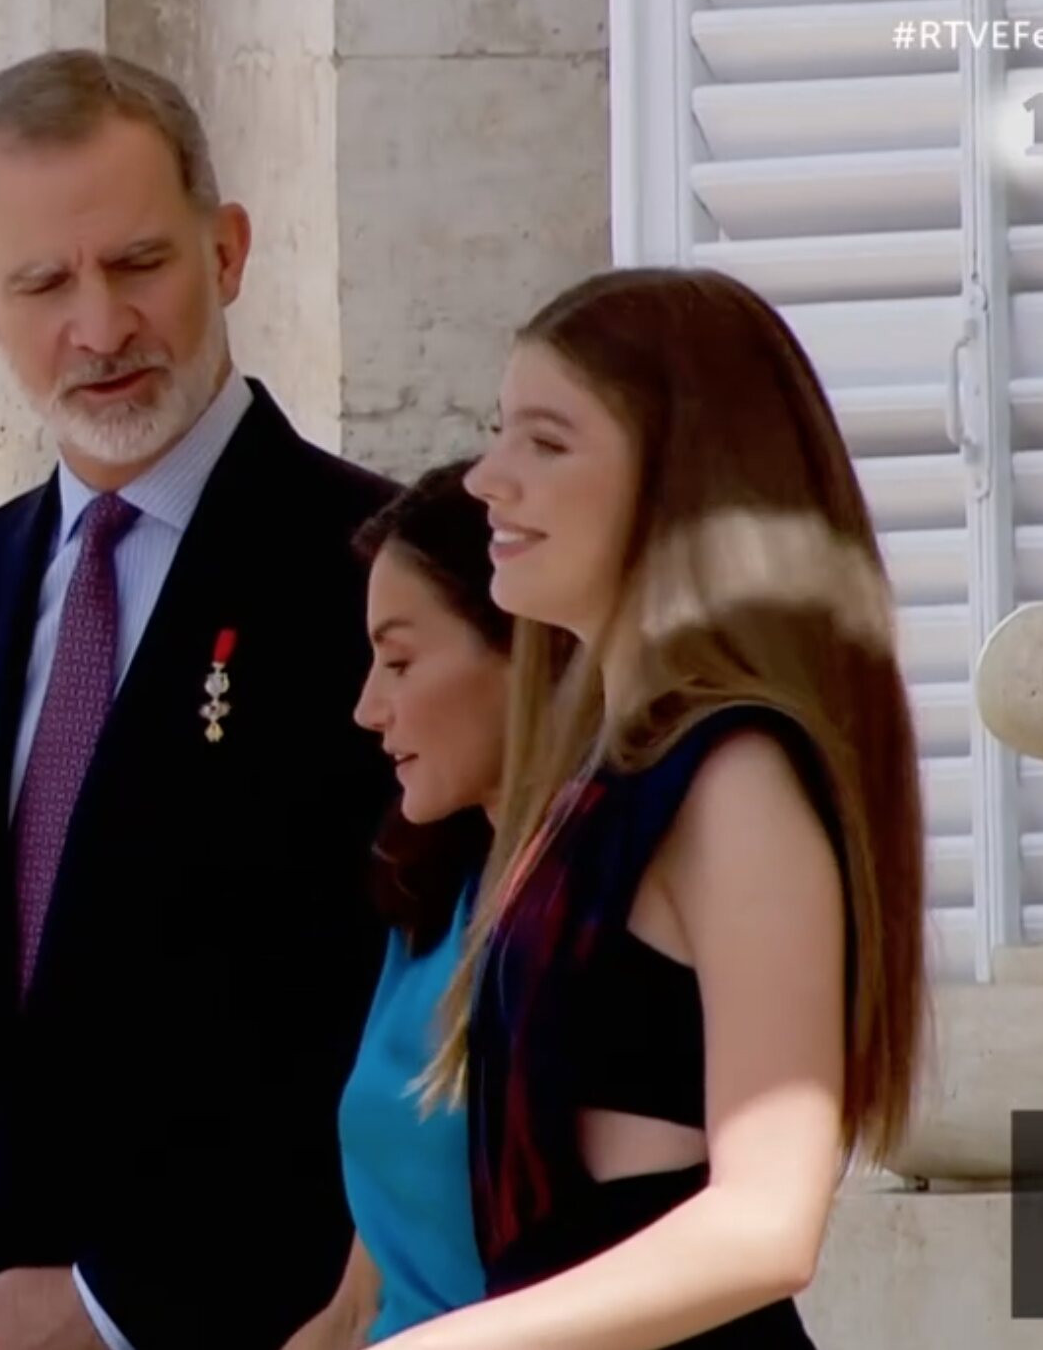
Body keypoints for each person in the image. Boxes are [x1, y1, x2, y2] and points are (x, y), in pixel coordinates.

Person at [0, 49, 400, 1350]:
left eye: (139, 264)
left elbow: (385, 1030)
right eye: (43, 284)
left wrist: (109, 1306)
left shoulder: (376, 577)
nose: (100, 326)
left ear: (229, 251)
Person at [368, 267, 930, 1349]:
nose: (488, 477)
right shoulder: (599, 782)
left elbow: (767, 1225)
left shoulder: (733, 780)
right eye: (498, 433)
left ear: (681, 479)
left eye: (546, 441)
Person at [286, 462, 510, 1350]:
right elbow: (354, 1308)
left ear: (521, 643)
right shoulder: (431, 899)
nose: (367, 708)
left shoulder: (595, 915)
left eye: (401, 660)